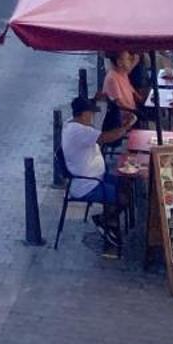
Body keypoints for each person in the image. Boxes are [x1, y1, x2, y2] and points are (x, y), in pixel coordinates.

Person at [61, 95, 122, 256]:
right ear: (84, 114)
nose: (93, 116)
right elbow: (105, 137)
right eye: (91, 113)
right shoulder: (80, 131)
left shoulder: (70, 124)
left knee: (125, 183)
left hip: (95, 177)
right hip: (87, 184)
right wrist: (127, 126)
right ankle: (108, 229)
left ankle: (108, 219)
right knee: (122, 196)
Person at [97, 48, 143, 143]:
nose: (131, 59)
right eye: (127, 58)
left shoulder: (122, 73)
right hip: (124, 115)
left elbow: (131, 89)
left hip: (133, 109)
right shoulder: (112, 78)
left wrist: (140, 98)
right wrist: (135, 111)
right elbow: (119, 103)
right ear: (119, 62)